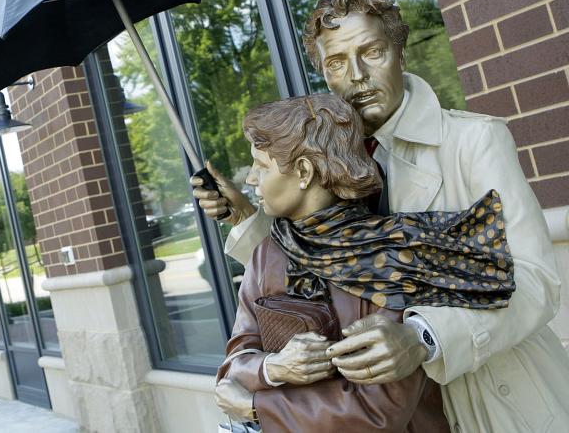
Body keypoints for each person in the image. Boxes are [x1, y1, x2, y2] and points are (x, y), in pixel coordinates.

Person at [195, 0, 569, 432]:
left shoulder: (472, 143)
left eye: (371, 52)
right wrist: (246, 219)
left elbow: (534, 280)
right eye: (336, 63)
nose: (356, 75)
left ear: (399, 52)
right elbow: (327, 266)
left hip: (490, 394)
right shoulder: (326, 156)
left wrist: (423, 337)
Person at [218, 93, 517, 431]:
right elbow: (233, 367)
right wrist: (273, 368)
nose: (251, 179)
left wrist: (259, 407)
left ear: (303, 172)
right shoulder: (268, 253)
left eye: (262, 166)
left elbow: (380, 412)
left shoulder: (390, 256)